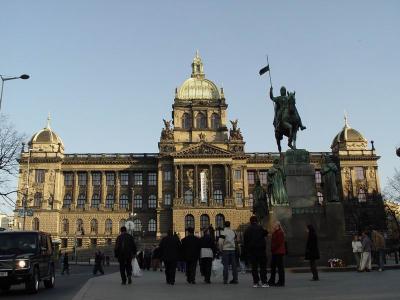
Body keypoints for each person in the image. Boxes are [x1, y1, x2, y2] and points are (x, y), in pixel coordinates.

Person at [243, 216, 268, 288]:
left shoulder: (247, 230)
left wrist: (247, 251)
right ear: (257, 221)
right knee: (263, 266)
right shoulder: (260, 228)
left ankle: (256, 282)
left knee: (254, 267)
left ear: (250, 221)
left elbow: (245, 242)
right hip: (261, 250)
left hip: (252, 251)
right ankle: (264, 282)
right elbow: (266, 233)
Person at [269, 221, 285, 287]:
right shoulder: (275, 232)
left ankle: (281, 281)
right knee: (273, 267)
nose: (273, 226)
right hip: (275, 252)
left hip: (278, 252)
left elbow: (278, 243)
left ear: (277, 226)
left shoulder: (280, 232)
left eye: (274, 225)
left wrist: (273, 248)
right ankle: (272, 280)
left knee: (280, 268)